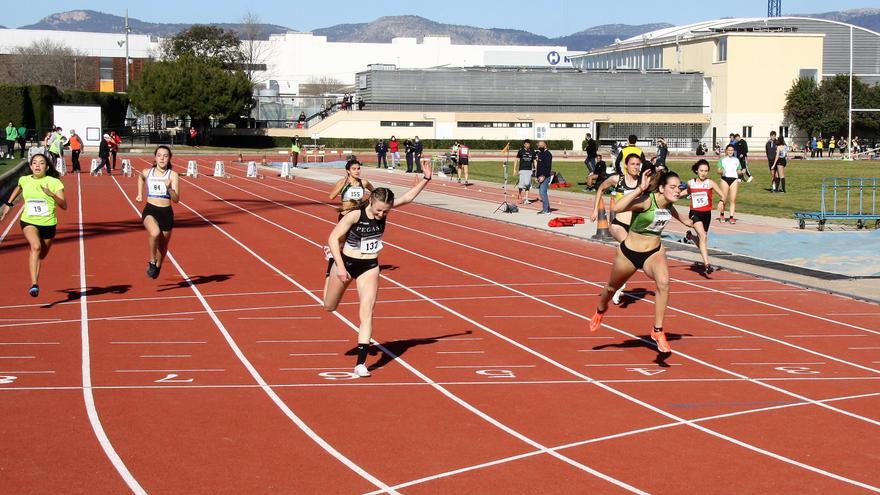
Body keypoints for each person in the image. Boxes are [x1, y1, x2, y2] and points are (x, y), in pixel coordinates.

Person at [323, 163, 434, 377]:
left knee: (367, 312)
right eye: (379, 210)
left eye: (386, 211)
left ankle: (361, 364)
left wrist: (426, 179)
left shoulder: (385, 210)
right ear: (371, 202)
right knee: (329, 306)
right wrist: (338, 266)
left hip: (370, 266)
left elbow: (408, 198)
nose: (382, 214)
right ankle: (329, 265)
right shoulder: (355, 215)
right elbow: (333, 238)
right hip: (345, 262)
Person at [589, 168, 695, 353]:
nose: (678, 190)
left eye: (679, 187)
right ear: (661, 189)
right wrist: (638, 189)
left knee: (664, 282)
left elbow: (671, 210)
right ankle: (600, 309)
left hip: (653, 253)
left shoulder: (669, 203)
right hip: (629, 253)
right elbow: (617, 208)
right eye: (673, 187)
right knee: (611, 288)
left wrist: (684, 221)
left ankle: (657, 330)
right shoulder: (646, 201)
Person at [0, 153, 67, 297]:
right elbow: (18, 187)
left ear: (47, 167)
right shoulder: (24, 180)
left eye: (41, 163)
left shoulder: (54, 182)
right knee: (35, 246)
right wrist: (8, 204)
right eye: (34, 163)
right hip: (29, 221)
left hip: (49, 224)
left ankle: (35, 259)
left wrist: (51, 194)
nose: (37, 165)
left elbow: (64, 205)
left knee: (41, 254)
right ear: (31, 166)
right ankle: (34, 284)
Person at [591, 153, 643, 304]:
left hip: (635, 226)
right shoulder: (617, 179)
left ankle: (618, 282)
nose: (635, 167)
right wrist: (595, 210)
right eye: (633, 164)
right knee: (628, 247)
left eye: (638, 164)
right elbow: (600, 188)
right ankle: (620, 283)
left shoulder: (642, 182)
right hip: (618, 224)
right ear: (626, 166)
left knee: (628, 258)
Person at [136, 145, 180, 279]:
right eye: (159, 155)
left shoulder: (173, 175)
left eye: (165, 156)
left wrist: (169, 189)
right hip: (151, 210)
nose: (162, 158)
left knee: (163, 245)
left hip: (166, 212)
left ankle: (158, 265)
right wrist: (139, 194)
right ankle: (152, 261)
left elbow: (176, 199)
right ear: (155, 158)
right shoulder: (147, 172)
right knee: (154, 233)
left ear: (169, 158)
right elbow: (140, 177)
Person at [683, 159, 725, 273]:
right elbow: (687, 192)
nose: (703, 173)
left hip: (707, 214)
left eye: (706, 171)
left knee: (702, 239)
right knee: (703, 237)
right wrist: (672, 196)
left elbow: (723, 195)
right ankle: (707, 264)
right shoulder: (691, 183)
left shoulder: (710, 183)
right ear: (697, 171)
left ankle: (690, 237)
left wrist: (721, 201)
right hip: (695, 213)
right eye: (701, 170)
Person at [717, 144, 742, 223]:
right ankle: (722, 215)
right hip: (725, 179)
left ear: (733, 151)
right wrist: (721, 171)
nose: (730, 151)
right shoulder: (722, 159)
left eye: (732, 150)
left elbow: (738, 170)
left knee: (733, 199)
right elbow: (718, 170)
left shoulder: (736, 160)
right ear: (726, 151)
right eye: (729, 150)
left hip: (734, 179)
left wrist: (741, 172)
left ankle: (731, 217)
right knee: (724, 198)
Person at [516, 140, 536, 205]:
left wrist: (536, 169)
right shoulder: (521, 151)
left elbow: (534, 161)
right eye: (526, 144)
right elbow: (516, 160)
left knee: (527, 184)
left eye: (528, 144)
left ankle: (526, 199)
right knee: (521, 185)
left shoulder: (532, 152)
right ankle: (519, 195)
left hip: (529, 170)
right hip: (522, 169)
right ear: (524, 145)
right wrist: (514, 169)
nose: (527, 145)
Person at [535, 141, 552, 214]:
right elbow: (539, 167)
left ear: (545, 146)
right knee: (541, 193)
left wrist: (543, 176)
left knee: (543, 192)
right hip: (540, 176)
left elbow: (548, 167)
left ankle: (546, 210)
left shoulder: (548, 154)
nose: (540, 147)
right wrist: (536, 176)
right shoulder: (540, 153)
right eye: (539, 145)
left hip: (545, 176)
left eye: (541, 145)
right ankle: (547, 208)